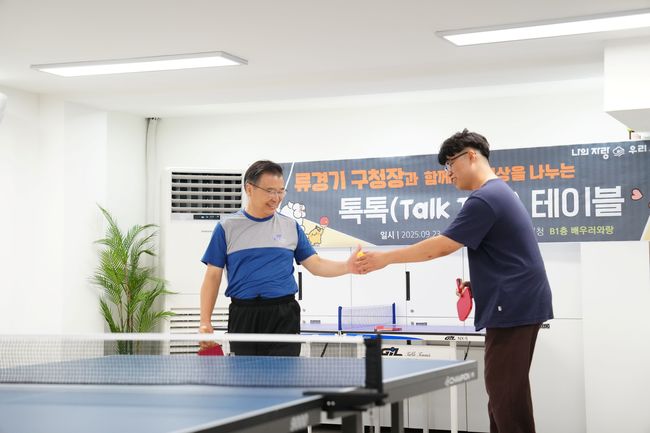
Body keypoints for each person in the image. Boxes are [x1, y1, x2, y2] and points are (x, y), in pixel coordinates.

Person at [357, 129, 553, 433]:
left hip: (513, 305)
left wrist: (384, 258)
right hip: (517, 301)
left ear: (471, 155)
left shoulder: (485, 198)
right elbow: (511, 258)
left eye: (450, 163)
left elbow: (440, 246)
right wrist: (479, 285)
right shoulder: (499, 193)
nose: (448, 173)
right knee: (503, 394)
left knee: (506, 397)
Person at [199, 160, 361, 356]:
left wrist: (347, 266)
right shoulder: (227, 227)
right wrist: (205, 321)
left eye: (280, 191)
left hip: (283, 315)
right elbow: (213, 276)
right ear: (249, 189)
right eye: (270, 191)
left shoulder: (290, 226)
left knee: (284, 372)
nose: (276, 198)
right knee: (244, 373)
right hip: (244, 315)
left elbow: (316, 265)